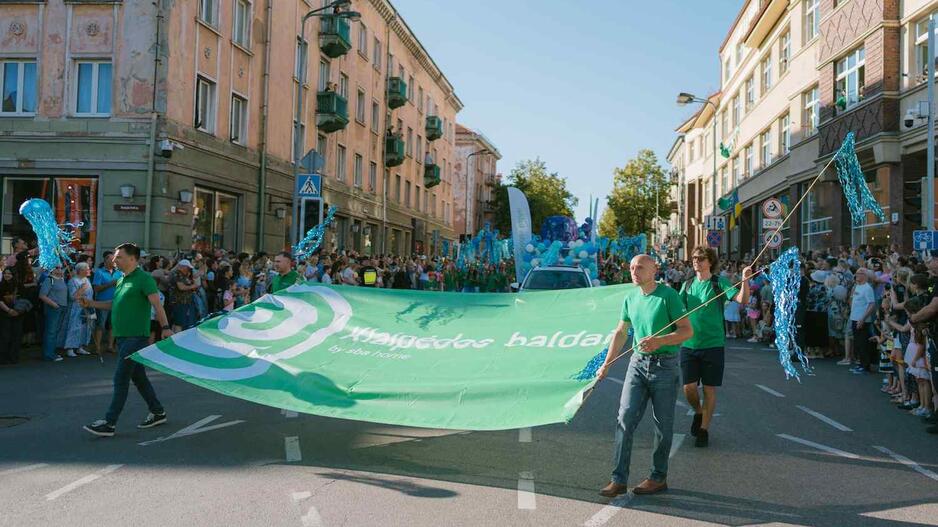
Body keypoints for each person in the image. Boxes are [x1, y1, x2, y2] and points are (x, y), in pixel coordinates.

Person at [595, 254, 693, 497]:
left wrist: (661, 340)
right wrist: (606, 364)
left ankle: (658, 477)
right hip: (637, 364)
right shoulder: (630, 298)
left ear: (653, 270)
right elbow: (621, 332)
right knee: (624, 419)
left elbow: (686, 331)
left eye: (639, 267)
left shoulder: (668, 296)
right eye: (631, 267)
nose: (634, 271)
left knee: (662, 425)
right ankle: (618, 479)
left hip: (665, 365)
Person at [82, 243, 173, 437]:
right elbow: (114, 304)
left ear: (133, 259)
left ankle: (110, 422)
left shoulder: (144, 279)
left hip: (136, 337)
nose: (114, 260)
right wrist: (91, 303)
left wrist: (165, 328)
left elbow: (157, 305)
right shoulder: (121, 279)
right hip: (122, 337)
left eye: (119, 257)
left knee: (120, 377)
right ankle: (158, 412)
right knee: (138, 377)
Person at [678, 247, 751, 447]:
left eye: (701, 258)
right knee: (689, 388)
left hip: (713, 344)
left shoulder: (719, 282)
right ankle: (698, 412)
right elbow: (676, 311)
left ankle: (703, 430)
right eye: (694, 258)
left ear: (710, 262)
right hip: (689, 343)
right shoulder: (687, 284)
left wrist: (745, 280)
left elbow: (743, 300)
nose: (696, 261)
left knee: (709, 389)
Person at [92, 251, 123, 355]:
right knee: (100, 324)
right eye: (112, 259)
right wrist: (110, 284)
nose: (115, 261)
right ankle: (97, 347)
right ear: (106, 260)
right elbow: (96, 288)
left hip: (116, 302)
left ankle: (110, 346)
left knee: (113, 325)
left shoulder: (119, 272)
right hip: (103, 302)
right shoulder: (99, 272)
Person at [849, 268, 877, 374]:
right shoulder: (857, 286)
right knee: (858, 343)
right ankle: (861, 364)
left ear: (865, 275)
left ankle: (866, 366)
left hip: (862, 320)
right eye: (856, 273)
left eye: (859, 273)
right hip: (854, 317)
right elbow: (852, 300)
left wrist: (863, 319)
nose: (856, 275)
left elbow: (871, 304)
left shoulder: (867, 288)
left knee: (863, 343)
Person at [63, 262, 94, 357]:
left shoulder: (87, 280)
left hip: (88, 306)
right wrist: (81, 290)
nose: (89, 270)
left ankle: (80, 346)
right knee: (74, 327)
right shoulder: (73, 281)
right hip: (76, 307)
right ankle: (70, 348)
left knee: (86, 328)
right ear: (81, 270)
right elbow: (72, 297)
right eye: (87, 269)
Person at [38, 265, 68, 362]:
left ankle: (51, 352)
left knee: (55, 331)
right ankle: (48, 354)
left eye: (60, 268)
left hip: (62, 307)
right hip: (53, 308)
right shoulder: (49, 280)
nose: (59, 269)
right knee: (51, 331)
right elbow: (42, 295)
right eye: (57, 268)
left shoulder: (61, 279)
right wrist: (54, 304)